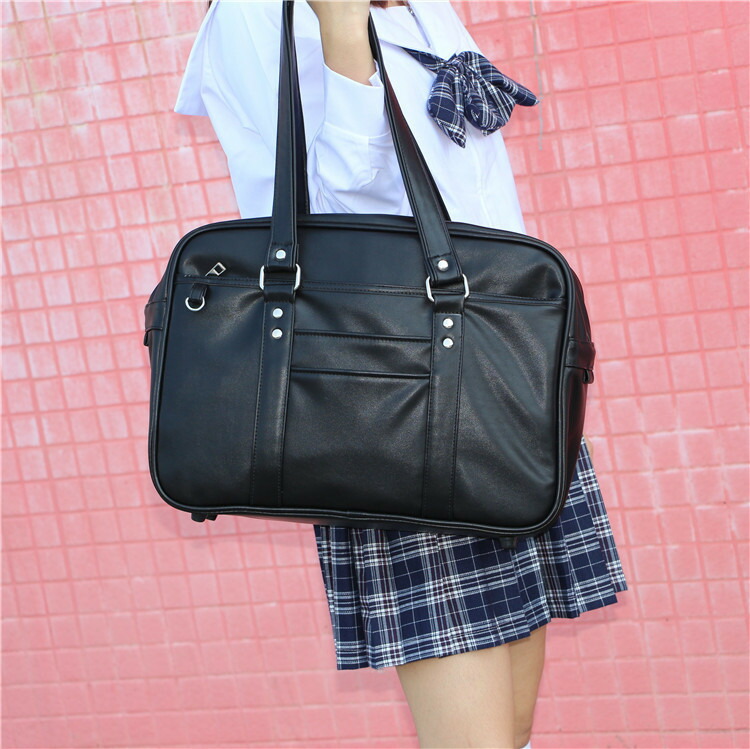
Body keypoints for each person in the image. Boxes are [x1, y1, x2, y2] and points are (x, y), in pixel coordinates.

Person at [173, 1, 629, 747]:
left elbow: (469, 189)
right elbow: (334, 209)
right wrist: (343, 32)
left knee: (512, 725)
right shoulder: (255, 15)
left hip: (498, 382)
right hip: (392, 400)